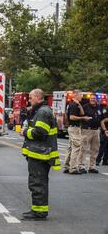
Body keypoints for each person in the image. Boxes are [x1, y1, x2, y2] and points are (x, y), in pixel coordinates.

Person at [21, 89, 60, 221]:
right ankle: (38, 210)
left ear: (38, 97)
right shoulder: (41, 110)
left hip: (40, 154)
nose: (29, 100)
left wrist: (25, 132)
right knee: (38, 183)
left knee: (37, 183)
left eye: (31, 97)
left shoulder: (42, 112)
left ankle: (39, 212)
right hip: (40, 153)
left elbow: (40, 132)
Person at [63, 90, 91, 174]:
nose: (81, 96)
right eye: (80, 95)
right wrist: (83, 118)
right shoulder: (72, 105)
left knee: (71, 147)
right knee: (77, 147)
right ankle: (73, 168)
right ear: (75, 95)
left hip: (73, 128)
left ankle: (67, 166)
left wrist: (79, 105)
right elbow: (71, 117)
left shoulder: (76, 104)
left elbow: (82, 113)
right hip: (74, 128)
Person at [80, 95, 102, 173]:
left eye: (94, 99)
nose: (93, 100)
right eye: (91, 98)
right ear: (89, 100)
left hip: (96, 131)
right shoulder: (85, 107)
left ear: (97, 100)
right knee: (83, 148)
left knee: (95, 149)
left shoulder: (99, 107)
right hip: (86, 130)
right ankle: (81, 166)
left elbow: (101, 118)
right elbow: (81, 116)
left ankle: (92, 166)